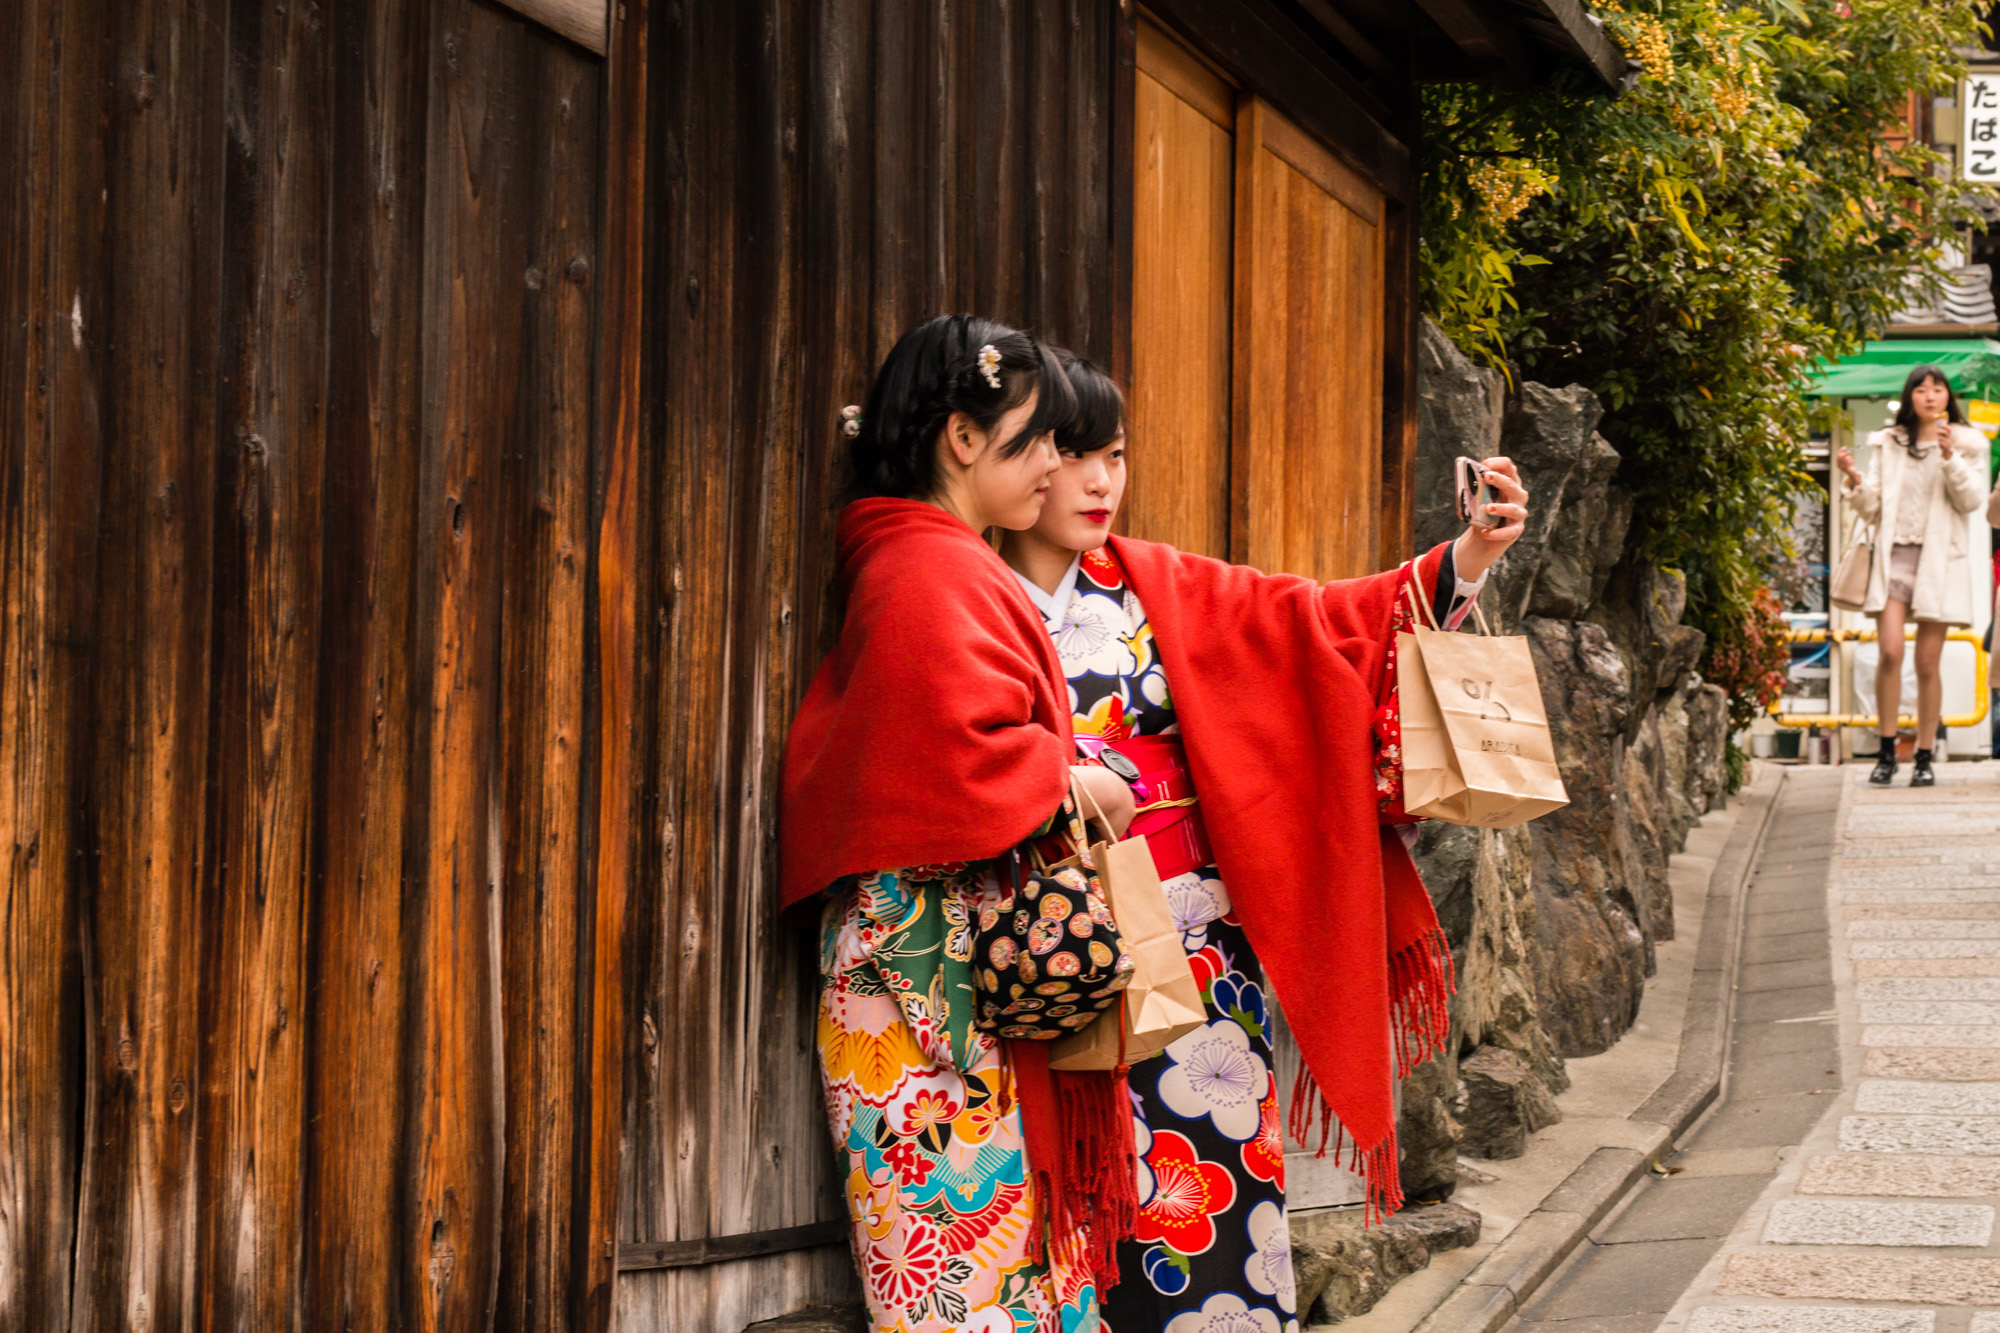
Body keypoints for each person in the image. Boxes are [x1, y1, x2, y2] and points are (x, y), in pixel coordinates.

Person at [996, 353, 1527, 1330]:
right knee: (1061, 1209)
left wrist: (1465, 559)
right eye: (1072, 454)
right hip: (1047, 946)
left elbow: (1326, 624)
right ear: (1012, 458)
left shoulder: (1157, 586)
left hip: (1194, 943)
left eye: (1112, 454)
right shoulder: (974, 599)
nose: (1100, 481)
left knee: (1209, 1206)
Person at [782, 315, 1147, 1333]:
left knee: (983, 1272)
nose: (1051, 467)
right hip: (924, 972)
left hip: (935, 962)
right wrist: (1073, 779)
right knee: (964, 1277)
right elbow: (948, 747)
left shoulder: (925, 555)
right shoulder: (924, 570)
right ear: (960, 439)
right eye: (1033, 441)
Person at [1835, 364, 1987, 787]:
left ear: (1947, 397)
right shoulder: (1890, 441)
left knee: (1926, 663)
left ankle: (1923, 755)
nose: (1930, 396)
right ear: (1910, 397)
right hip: (1894, 557)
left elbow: (1972, 500)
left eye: (1937, 389)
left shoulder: (1966, 442)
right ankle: (1886, 752)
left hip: (1940, 562)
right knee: (1889, 652)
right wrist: (1853, 479)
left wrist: (1950, 457)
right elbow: (1873, 506)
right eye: (1920, 389)